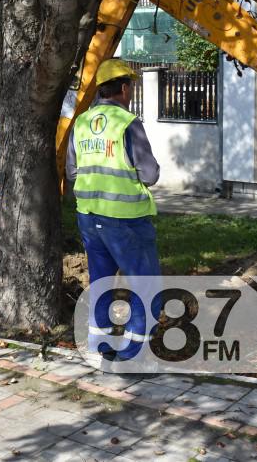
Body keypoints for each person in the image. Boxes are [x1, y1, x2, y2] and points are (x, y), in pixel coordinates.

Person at [66, 59, 162, 362]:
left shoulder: (80, 123)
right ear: (124, 88)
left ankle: (98, 345)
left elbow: (71, 172)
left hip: (88, 215)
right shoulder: (127, 122)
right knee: (144, 283)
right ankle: (134, 351)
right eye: (130, 86)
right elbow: (150, 174)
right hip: (126, 219)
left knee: (101, 281)